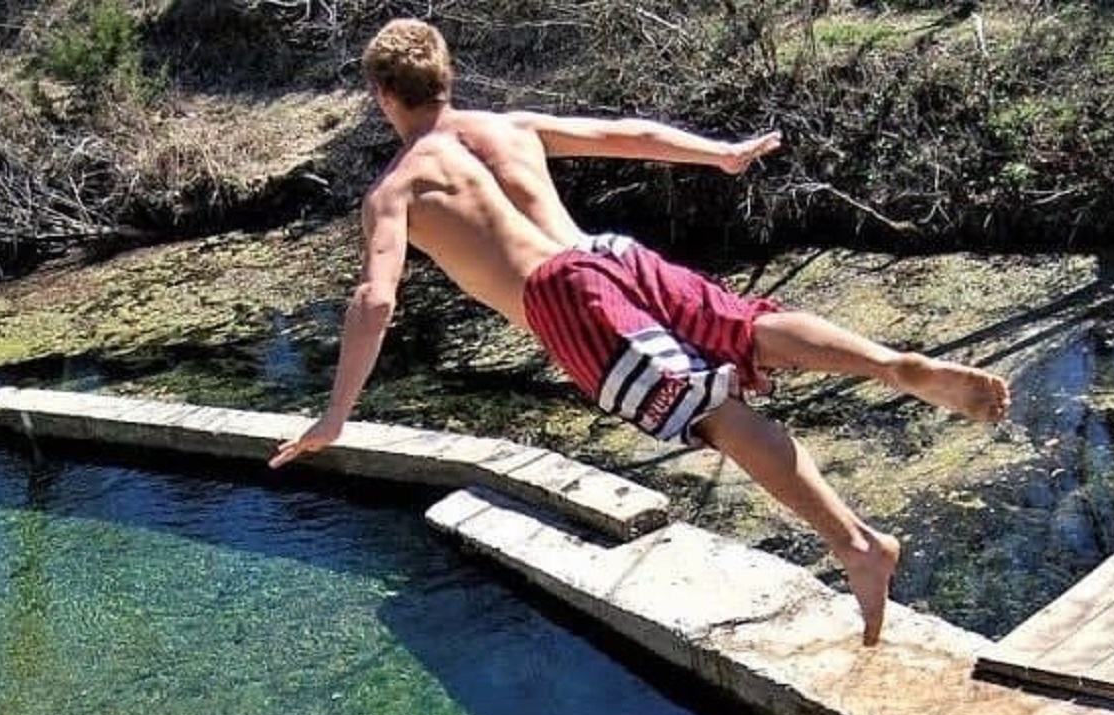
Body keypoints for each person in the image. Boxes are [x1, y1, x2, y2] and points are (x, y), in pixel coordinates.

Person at [269, 18, 1011, 646]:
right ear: (447, 76)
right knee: (747, 328)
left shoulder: (398, 188)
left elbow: (374, 299)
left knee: (712, 414)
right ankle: (888, 364)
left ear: (381, 95)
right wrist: (717, 153)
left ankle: (857, 546)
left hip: (560, 298)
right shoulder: (508, 128)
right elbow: (625, 134)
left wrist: (336, 416)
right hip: (607, 252)